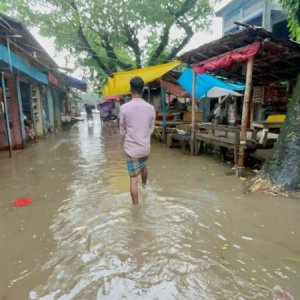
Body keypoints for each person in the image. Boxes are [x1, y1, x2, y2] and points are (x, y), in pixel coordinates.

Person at [120, 76, 156, 205]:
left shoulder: (124, 108)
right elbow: (151, 128)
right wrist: (144, 137)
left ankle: (135, 208)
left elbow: (122, 130)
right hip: (145, 147)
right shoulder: (151, 108)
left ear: (131, 89)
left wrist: (124, 142)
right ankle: (145, 185)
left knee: (133, 178)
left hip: (131, 149)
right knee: (143, 165)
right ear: (142, 90)